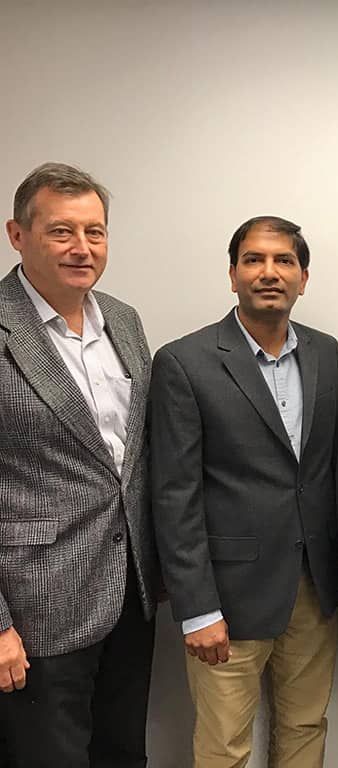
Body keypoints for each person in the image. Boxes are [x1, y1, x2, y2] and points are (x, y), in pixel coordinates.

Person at [149, 216, 338, 767]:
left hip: (314, 589)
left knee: (305, 727)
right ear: (233, 274)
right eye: (254, 260)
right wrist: (197, 609)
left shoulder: (326, 353)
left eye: (284, 261)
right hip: (227, 598)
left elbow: (334, 470)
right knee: (224, 746)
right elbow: (174, 494)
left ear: (303, 277)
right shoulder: (185, 362)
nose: (269, 272)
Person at [0, 162, 159, 767]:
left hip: (128, 599)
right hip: (34, 612)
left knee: (123, 755)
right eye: (62, 231)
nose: (82, 248)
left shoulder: (123, 319)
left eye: (95, 232)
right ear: (18, 235)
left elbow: (131, 459)